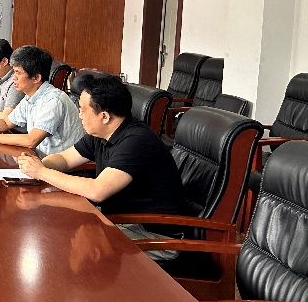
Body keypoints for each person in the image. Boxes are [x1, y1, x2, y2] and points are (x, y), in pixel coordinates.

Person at [17, 74, 186, 254]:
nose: (79, 115)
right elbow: (65, 159)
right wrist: (38, 165)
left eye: (82, 110)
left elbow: (97, 191)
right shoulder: (101, 133)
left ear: (104, 116)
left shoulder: (136, 141)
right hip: (120, 220)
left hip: (153, 235)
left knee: (63, 235)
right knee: (56, 225)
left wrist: (41, 172)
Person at [0, 45, 83, 156]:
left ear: (36, 78)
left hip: (62, 166)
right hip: (38, 157)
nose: (13, 78)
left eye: (17, 73)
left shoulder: (53, 100)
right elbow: (6, 123)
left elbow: (31, 140)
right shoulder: (30, 96)